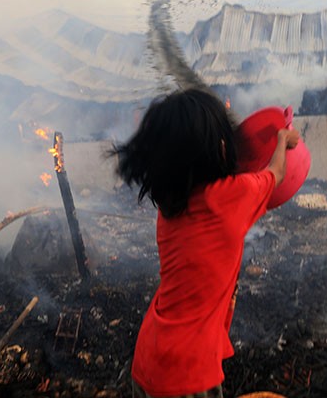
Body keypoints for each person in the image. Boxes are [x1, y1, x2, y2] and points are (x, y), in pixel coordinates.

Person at [112, 88, 300, 398]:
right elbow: (277, 173)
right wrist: (282, 140)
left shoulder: (170, 206)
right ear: (220, 148)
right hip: (189, 374)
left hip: (147, 361)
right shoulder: (230, 197)